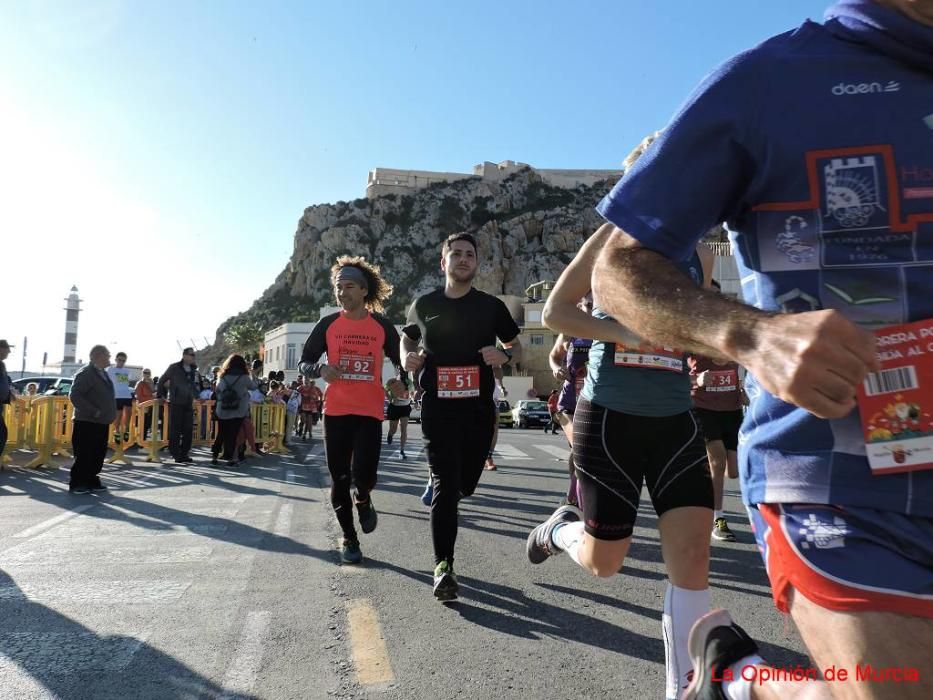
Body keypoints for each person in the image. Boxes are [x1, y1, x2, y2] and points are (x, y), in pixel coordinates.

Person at [590, 3, 933, 698]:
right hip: (844, 488)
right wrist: (748, 335)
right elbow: (615, 272)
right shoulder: (767, 82)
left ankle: (741, 680)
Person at [524, 132, 716, 699]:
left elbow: (697, 327)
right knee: (606, 563)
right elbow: (557, 310)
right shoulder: (609, 240)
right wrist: (619, 330)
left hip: (678, 419)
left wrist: (706, 347)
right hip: (609, 418)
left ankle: (682, 688)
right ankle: (559, 529)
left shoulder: (699, 252)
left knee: (692, 557)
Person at [402, 232, 522, 601]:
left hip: (478, 410)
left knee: (464, 484)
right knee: (445, 488)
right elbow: (406, 340)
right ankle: (444, 567)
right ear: (444, 263)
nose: (463, 259)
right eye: (456, 254)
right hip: (438, 408)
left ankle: (449, 484)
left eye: (469, 254)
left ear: (477, 263)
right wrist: (408, 359)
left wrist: (505, 356)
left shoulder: (491, 306)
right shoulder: (423, 304)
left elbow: (515, 345)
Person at [299, 256, 408, 565]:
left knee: (365, 476)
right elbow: (304, 361)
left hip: (370, 411)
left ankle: (363, 499)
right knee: (339, 477)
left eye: (348, 287)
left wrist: (401, 381)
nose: (342, 293)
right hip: (336, 411)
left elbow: (403, 362)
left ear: (363, 291)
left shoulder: (382, 326)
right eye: (338, 287)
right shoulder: (329, 324)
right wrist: (320, 369)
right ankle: (349, 538)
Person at [688, 295, 746, 544]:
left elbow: (741, 372)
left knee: (733, 470)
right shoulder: (692, 339)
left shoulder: (734, 340)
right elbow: (673, 373)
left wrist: (743, 391)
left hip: (731, 410)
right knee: (718, 459)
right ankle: (718, 518)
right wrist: (697, 381)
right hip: (703, 408)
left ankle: (698, 479)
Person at [548, 302, 594, 506]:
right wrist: (556, 368)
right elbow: (554, 356)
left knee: (583, 450)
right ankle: (575, 499)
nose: (589, 310)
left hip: (595, 400)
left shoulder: (610, 330)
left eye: (593, 305)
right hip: (569, 402)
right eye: (585, 305)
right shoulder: (570, 330)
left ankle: (573, 496)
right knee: (580, 445)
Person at [68, 345, 116, 494]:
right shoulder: (87, 373)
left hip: (100, 422)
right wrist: (94, 411)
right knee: (84, 454)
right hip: (87, 421)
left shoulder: (102, 373)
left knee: (97, 453)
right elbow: (75, 395)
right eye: (107, 355)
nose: (109, 358)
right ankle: (77, 483)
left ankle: (91, 480)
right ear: (98, 356)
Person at [157, 347, 200, 463]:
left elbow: (194, 385)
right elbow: (161, 380)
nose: (193, 357)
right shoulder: (174, 367)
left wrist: (198, 396)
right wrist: (160, 395)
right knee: (175, 429)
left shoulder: (193, 369)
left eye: (194, 355)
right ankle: (175, 454)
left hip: (188, 402)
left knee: (188, 429)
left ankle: (184, 453)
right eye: (191, 354)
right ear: (185, 355)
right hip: (176, 402)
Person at [212, 354, 255, 466]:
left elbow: (217, 390)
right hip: (238, 410)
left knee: (221, 433)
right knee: (233, 434)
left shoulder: (222, 376)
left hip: (223, 409)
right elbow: (253, 387)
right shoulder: (244, 377)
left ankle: (214, 457)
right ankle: (232, 459)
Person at [106, 351, 133, 444]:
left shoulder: (127, 371)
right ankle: (116, 431)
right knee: (118, 415)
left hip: (127, 394)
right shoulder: (110, 370)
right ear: (116, 360)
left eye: (123, 361)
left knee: (129, 413)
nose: (121, 362)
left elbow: (126, 383)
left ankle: (126, 429)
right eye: (119, 360)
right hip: (116, 395)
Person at [385, 378, 412, 459]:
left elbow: (412, 392)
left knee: (404, 428)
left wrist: (414, 399)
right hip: (394, 407)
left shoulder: (408, 381)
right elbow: (385, 390)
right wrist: (390, 399)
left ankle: (402, 450)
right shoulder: (391, 381)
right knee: (393, 429)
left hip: (405, 407)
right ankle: (390, 434)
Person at [297, 375, 322, 441]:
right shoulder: (300, 388)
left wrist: (316, 400)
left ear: (309, 380)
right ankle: (301, 427)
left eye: (307, 380)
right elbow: (296, 396)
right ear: (302, 380)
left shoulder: (313, 388)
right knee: (303, 420)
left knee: (308, 422)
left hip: (311, 407)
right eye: (305, 380)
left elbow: (317, 396)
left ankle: (304, 434)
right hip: (302, 406)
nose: (306, 381)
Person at [134, 369, 155, 440]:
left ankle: (143, 440)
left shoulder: (151, 382)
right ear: (143, 374)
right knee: (142, 424)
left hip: (151, 406)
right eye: (145, 372)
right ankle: (140, 440)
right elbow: (138, 396)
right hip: (143, 407)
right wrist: (152, 397)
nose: (147, 374)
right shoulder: (140, 383)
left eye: (148, 372)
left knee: (147, 424)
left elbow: (153, 392)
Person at [0, 340, 12, 460]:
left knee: (2, 434)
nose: (9, 352)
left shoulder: (1, 365)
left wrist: (9, 392)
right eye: (7, 349)